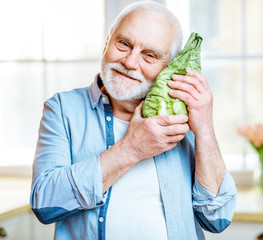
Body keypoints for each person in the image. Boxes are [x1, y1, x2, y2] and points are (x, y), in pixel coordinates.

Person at [30, 1, 237, 239]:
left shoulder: (183, 117)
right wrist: (132, 148)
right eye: (123, 44)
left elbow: (217, 218)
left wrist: (205, 130)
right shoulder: (63, 109)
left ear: (169, 66)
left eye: (150, 55)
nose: (129, 62)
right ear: (108, 40)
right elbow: (44, 204)